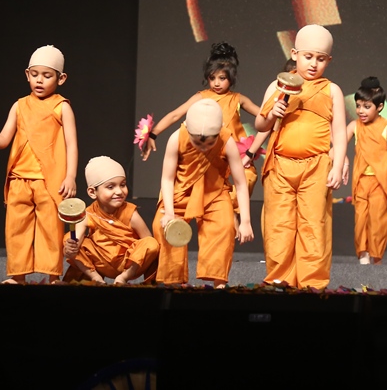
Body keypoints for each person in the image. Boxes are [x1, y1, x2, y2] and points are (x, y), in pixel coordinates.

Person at [0, 45, 79, 284]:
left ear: (61, 78)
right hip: (19, 179)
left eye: (47, 75)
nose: (39, 80)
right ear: (27, 75)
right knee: (16, 229)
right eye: (35, 74)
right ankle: (18, 276)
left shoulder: (62, 107)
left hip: (48, 181)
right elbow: (4, 138)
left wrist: (70, 176)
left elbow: (72, 144)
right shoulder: (20, 105)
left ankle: (52, 276)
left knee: (51, 230)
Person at [255, 24, 346, 289]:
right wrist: (272, 114)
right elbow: (260, 124)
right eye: (308, 57)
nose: (314, 64)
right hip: (280, 165)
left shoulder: (332, 90)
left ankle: (312, 284)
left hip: (316, 167)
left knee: (313, 225)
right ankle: (279, 280)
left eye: (321, 59)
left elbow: (340, 133)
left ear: (328, 60)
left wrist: (337, 166)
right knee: (279, 225)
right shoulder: (278, 85)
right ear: (294, 54)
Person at [140, 41, 269, 215]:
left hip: (234, 152)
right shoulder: (202, 96)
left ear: (231, 78)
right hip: (209, 152)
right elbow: (175, 115)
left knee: (248, 178)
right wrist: (153, 134)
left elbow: (265, 118)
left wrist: (276, 113)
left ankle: (232, 213)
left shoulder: (238, 99)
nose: (216, 83)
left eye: (222, 78)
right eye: (212, 78)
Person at [152, 98, 254, 286]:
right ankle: (172, 284)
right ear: (188, 129)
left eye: (209, 143)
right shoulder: (177, 138)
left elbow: (240, 184)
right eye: (198, 143)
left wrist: (245, 221)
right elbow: (167, 179)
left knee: (225, 227)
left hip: (215, 193)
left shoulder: (226, 140)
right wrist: (169, 213)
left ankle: (218, 284)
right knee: (163, 227)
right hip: (181, 192)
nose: (204, 147)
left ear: (219, 130)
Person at [345, 76, 387, 265]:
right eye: (358, 106)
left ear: (380, 106)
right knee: (360, 221)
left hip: (381, 183)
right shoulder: (354, 126)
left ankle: (376, 260)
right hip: (361, 183)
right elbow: (337, 148)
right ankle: (363, 257)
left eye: (367, 106)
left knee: (378, 222)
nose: (361, 111)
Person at [62, 156, 158, 284]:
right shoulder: (88, 214)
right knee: (68, 238)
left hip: (127, 263)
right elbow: (75, 244)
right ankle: (95, 277)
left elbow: (148, 242)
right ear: (92, 192)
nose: (119, 191)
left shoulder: (130, 213)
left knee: (152, 243)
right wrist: (69, 249)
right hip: (99, 262)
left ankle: (123, 277)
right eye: (111, 187)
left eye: (123, 185)